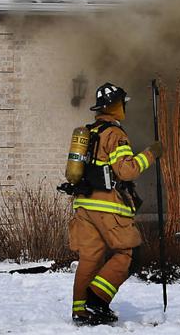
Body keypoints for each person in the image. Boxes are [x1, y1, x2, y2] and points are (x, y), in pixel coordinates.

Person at [69, 82, 163, 326]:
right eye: (123, 104)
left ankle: (81, 310)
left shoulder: (90, 133)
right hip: (108, 207)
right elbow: (126, 170)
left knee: (90, 257)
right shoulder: (115, 134)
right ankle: (96, 300)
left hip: (84, 205)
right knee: (127, 255)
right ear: (116, 106)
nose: (125, 108)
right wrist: (151, 153)